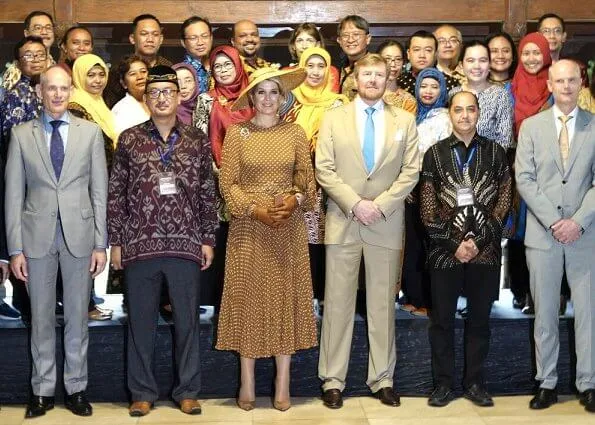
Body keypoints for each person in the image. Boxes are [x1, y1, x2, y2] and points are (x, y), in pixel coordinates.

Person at [107, 65, 217, 417]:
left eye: (168, 91)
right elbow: (116, 194)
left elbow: (206, 193)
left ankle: (188, 390)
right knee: (140, 323)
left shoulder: (196, 140)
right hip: (140, 244)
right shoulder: (129, 139)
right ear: (146, 97)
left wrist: (207, 237)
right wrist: (116, 241)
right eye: (154, 92)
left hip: (186, 243)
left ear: (179, 94)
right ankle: (142, 392)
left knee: (187, 321)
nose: (161, 98)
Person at [316, 53, 420, 409]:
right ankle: (332, 379)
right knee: (337, 304)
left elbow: (411, 171)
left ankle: (383, 379)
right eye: (367, 75)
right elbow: (324, 169)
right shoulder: (333, 118)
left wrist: (381, 204)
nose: (373, 80)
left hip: (385, 222)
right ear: (355, 80)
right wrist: (355, 203)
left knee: (382, 306)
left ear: (388, 77)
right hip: (344, 220)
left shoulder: (405, 120)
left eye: (379, 74)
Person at [6, 65, 108, 418]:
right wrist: (14, 249)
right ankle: (42, 391)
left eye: (64, 88)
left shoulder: (91, 133)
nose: (58, 94)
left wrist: (101, 243)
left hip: (80, 236)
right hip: (36, 239)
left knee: (79, 317)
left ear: (71, 91)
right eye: (51, 88)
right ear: (40, 92)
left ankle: (76, 388)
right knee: (41, 318)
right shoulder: (20, 135)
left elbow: (99, 192)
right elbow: (13, 195)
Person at [216, 67, 316, 412]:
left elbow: (308, 181)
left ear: (283, 96)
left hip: (287, 227)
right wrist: (254, 209)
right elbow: (227, 184)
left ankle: (282, 381)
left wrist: (295, 200)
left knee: (284, 298)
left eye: (275, 92)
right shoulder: (236, 133)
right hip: (249, 227)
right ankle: (247, 380)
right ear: (252, 98)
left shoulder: (296, 133)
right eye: (261, 93)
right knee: (249, 298)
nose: (268, 99)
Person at [421, 91, 512, 408]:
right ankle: (443, 384)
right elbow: (427, 210)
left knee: (479, 321)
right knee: (442, 320)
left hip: (485, 251)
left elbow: (504, 202)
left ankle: (474, 383)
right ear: (450, 114)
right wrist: (453, 243)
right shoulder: (434, 154)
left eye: (470, 110)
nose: (464, 116)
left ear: (478, 113)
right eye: (458, 110)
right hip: (444, 251)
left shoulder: (497, 152)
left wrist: (479, 242)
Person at [515, 59, 595, 413]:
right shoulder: (531, 127)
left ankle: (588, 383)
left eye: (572, 80)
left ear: (582, 84)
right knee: (545, 313)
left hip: (586, 233)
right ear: (548, 85)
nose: (565, 86)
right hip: (543, 236)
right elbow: (525, 180)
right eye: (559, 81)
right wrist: (554, 221)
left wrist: (578, 220)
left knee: (589, 314)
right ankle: (546, 383)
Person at [281, 46, 348, 310]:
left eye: (321, 66)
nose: (316, 72)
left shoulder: (338, 103)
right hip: (295, 181)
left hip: (328, 183)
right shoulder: (288, 100)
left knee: (327, 239)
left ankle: (325, 295)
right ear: (301, 68)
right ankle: (301, 296)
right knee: (300, 240)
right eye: (310, 65)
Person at [192, 46, 253, 311]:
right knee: (222, 245)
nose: (224, 70)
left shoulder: (254, 96)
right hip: (217, 184)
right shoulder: (207, 99)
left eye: (228, 64)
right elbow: (199, 140)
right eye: (218, 66)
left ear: (239, 66)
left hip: (254, 184)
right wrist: (221, 174)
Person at [0, 36, 47, 322]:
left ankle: (34, 298)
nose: (34, 59)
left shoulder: (51, 87)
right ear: (19, 60)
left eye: (39, 54)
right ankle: (17, 296)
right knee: (14, 235)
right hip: (12, 170)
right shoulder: (9, 89)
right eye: (27, 55)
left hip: (44, 175)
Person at [399, 67, 451, 316]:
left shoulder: (444, 118)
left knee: (432, 244)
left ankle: (431, 302)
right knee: (413, 243)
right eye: (423, 86)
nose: (428, 91)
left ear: (442, 90)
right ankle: (414, 296)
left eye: (434, 86)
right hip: (410, 184)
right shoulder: (414, 116)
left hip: (433, 186)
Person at [508, 33, 554, 313]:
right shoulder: (510, 89)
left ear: (547, 55)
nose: (532, 58)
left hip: (548, 172)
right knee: (518, 231)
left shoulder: (555, 87)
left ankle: (549, 295)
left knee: (546, 229)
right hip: (516, 169)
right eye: (526, 52)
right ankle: (521, 290)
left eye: (538, 53)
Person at [450, 41, 513, 149]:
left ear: (489, 65)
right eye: (470, 60)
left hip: (490, 162)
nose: (477, 66)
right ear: (461, 65)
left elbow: (504, 140)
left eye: (483, 60)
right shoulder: (453, 94)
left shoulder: (500, 95)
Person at [103, 14, 172, 108]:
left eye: (155, 35)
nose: (150, 39)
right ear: (132, 38)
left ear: (161, 39)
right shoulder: (119, 70)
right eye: (144, 34)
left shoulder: (169, 68)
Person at [68, 54, 117, 170]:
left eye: (102, 75)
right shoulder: (74, 108)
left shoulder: (100, 102)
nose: (98, 80)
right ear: (79, 76)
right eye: (91, 75)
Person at [2, 11, 55, 90]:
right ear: (26, 33)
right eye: (38, 28)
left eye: (48, 28)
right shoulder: (15, 71)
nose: (44, 32)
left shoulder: (57, 64)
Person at [398, 31, 460, 97]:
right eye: (416, 50)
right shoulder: (399, 82)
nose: (422, 55)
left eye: (428, 50)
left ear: (436, 54)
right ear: (408, 54)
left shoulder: (450, 84)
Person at [286, 23, 340, 92]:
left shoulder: (329, 72)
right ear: (293, 46)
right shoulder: (286, 72)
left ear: (318, 45)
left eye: (309, 40)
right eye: (300, 40)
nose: (304, 46)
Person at [111, 55, 150, 133]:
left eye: (143, 71)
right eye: (132, 74)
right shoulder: (121, 110)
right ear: (123, 83)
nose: (140, 77)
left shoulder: (158, 101)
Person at [376, 40, 417, 114]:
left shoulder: (408, 100)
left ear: (403, 63)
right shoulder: (366, 93)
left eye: (398, 59)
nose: (393, 64)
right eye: (387, 59)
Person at [336, 15, 371, 100]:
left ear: (368, 39)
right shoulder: (337, 68)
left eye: (356, 34)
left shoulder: (375, 67)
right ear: (339, 41)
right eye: (345, 35)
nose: (350, 40)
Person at [180, 16, 213, 94]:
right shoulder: (181, 72)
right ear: (183, 42)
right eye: (193, 38)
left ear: (211, 38)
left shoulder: (220, 65)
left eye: (205, 36)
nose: (200, 42)